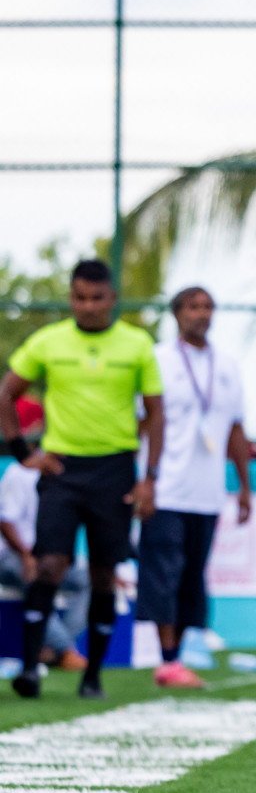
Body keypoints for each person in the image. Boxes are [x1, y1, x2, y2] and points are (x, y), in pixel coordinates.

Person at [0, 259, 163, 700]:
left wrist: (148, 478)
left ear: (112, 299)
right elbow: (6, 394)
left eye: (96, 298)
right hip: (62, 470)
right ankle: (31, 669)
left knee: (104, 575)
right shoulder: (48, 342)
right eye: (79, 297)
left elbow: (156, 413)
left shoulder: (137, 345)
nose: (87, 306)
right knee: (49, 565)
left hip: (115, 470)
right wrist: (22, 453)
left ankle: (92, 674)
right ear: (71, 298)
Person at [137, 287, 253, 690]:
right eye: (192, 307)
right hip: (165, 487)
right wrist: (144, 481)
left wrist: (243, 487)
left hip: (206, 492)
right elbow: (139, 423)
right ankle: (166, 660)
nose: (201, 314)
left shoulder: (227, 365)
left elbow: (236, 429)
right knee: (162, 573)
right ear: (176, 314)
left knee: (192, 575)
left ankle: (181, 655)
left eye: (207, 307)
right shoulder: (157, 360)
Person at [0, 456, 89, 672]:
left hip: (48, 557)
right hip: (12, 555)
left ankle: (53, 648)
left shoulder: (69, 475)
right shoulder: (19, 473)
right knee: (38, 582)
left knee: (89, 581)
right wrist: (25, 556)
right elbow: (4, 520)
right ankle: (65, 650)